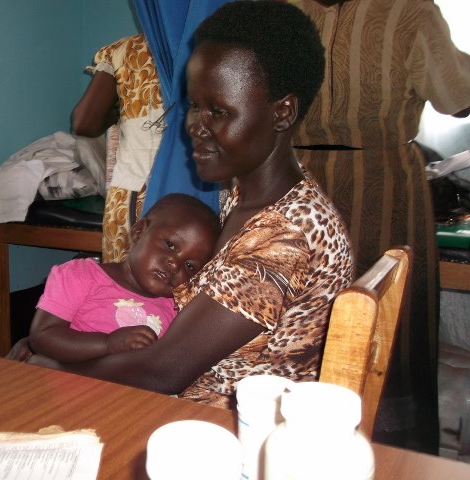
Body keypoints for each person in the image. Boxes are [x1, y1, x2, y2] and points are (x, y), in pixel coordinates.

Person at [25, 0, 353, 410]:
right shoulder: (249, 200)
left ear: (282, 113)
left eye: (219, 111)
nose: (195, 124)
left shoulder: (285, 238)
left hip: (227, 426)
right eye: (195, 104)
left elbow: (163, 371)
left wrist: (45, 371)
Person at [291, 0, 470, 453]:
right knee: (298, 315)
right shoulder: (282, 9)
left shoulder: (409, 10)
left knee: (389, 314)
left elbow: (457, 98)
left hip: (383, 185)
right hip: (296, 186)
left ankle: (389, 447)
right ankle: (299, 442)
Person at [6, 193, 221, 363]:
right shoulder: (81, 275)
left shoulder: (177, 310)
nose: (175, 265)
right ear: (138, 233)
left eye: (190, 266)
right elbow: (42, 335)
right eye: (170, 245)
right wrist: (107, 344)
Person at [71, 34, 166, 264]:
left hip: (135, 194)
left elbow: (84, 123)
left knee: (127, 291)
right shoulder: (221, 42)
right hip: (203, 196)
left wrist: (121, 112)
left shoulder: (130, 49)